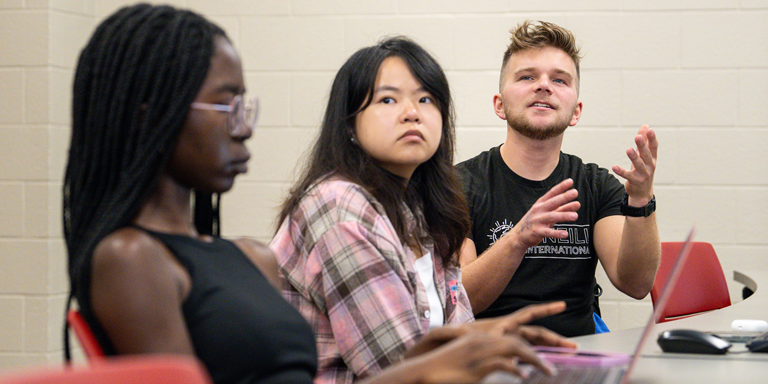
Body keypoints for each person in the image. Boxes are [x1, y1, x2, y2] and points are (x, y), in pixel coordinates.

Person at [64, 5, 570, 384]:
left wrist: (483, 345)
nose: (244, 128)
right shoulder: (130, 259)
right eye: (227, 106)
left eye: (426, 99)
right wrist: (459, 358)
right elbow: (399, 366)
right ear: (153, 114)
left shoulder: (251, 257)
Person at [271, 36, 576, 384]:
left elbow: (457, 328)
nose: (412, 112)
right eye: (388, 99)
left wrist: (499, 343)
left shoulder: (418, 208)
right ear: (349, 125)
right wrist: (488, 351)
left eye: (426, 99)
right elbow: (398, 369)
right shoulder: (339, 207)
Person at [456, 20, 661, 337]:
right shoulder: (459, 184)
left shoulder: (596, 184)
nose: (543, 85)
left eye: (560, 80)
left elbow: (636, 284)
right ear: (500, 105)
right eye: (527, 77)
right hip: (490, 361)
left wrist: (641, 200)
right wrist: (518, 237)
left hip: (579, 357)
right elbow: (460, 300)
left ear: (575, 111)